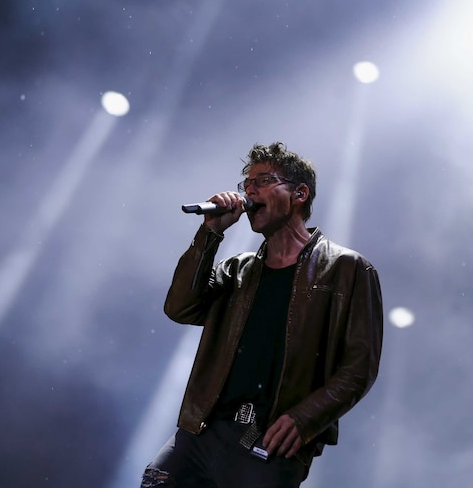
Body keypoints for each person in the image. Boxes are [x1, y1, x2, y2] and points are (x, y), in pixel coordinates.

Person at [142, 142, 383, 488]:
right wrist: (210, 232)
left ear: (300, 193)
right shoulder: (236, 269)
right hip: (202, 430)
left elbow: (359, 367)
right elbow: (180, 308)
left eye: (264, 180)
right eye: (247, 184)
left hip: (270, 440)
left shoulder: (347, 269)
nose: (250, 190)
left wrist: (305, 419)